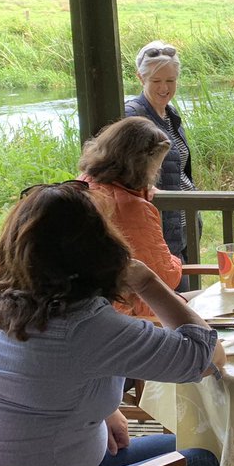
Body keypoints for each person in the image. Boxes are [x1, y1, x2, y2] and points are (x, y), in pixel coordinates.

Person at [0, 180, 226, 466]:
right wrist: (145, 281)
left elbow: (45, 373)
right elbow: (207, 356)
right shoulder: (87, 327)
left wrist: (105, 408)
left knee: (175, 444)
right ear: (98, 250)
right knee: (203, 456)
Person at [78, 116, 183, 317]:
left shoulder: (82, 186)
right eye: (156, 166)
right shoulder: (132, 209)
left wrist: (142, 190)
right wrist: (175, 261)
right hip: (135, 318)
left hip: (93, 311)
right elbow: (165, 278)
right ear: (141, 165)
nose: (156, 172)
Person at [124, 41, 195, 290]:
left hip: (182, 222)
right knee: (177, 297)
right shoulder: (133, 117)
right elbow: (126, 172)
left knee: (187, 291)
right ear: (139, 78)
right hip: (159, 226)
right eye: (156, 81)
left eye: (171, 81)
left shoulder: (170, 114)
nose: (165, 88)